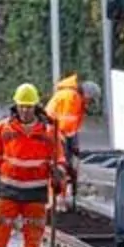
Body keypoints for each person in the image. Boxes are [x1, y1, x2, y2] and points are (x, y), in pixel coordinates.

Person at [0, 83, 68, 247]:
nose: (25, 110)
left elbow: (60, 160)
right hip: (8, 190)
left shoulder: (49, 132)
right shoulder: (4, 128)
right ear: (15, 106)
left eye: (29, 106)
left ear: (36, 106)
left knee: (33, 233)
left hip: (35, 193)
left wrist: (58, 177)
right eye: (22, 106)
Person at [44, 75, 103, 210]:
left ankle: (61, 198)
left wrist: (74, 144)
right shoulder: (71, 98)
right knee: (60, 166)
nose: (90, 104)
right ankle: (55, 200)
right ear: (86, 95)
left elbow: (71, 127)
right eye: (91, 100)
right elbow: (63, 124)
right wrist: (68, 145)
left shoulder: (76, 98)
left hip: (60, 132)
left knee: (67, 166)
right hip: (54, 133)